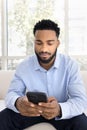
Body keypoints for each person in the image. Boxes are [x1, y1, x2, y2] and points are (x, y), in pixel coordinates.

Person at [0, 19, 87, 130]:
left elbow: (80, 100)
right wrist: (18, 102)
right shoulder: (24, 66)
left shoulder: (70, 65)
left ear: (57, 43)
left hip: (60, 111)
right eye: (39, 43)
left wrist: (59, 109)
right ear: (34, 42)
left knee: (82, 123)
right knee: (3, 118)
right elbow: (11, 94)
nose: (44, 49)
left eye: (50, 43)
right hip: (31, 111)